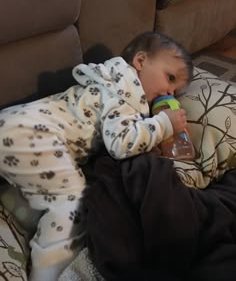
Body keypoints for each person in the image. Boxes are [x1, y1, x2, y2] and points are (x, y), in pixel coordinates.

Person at [0, 31, 193, 280]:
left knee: (50, 186)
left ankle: (13, 201)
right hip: (35, 135)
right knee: (72, 203)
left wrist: (149, 136)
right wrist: (164, 124)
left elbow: (118, 133)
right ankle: (47, 274)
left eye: (176, 91)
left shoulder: (108, 79)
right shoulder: (126, 91)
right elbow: (120, 144)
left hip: (16, 125)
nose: (170, 92)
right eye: (170, 78)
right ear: (141, 61)